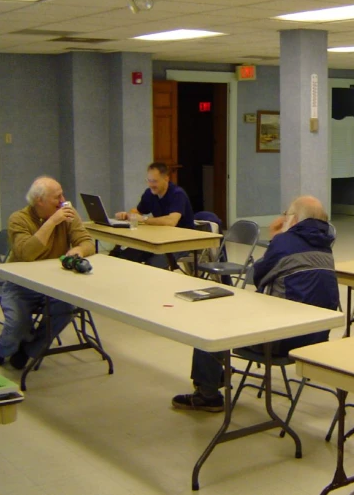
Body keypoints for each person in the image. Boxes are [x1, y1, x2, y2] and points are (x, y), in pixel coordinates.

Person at [172, 195, 339, 412]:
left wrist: (275, 238)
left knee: (211, 319)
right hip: (316, 337)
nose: (283, 218)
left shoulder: (284, 242)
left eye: (286, 214)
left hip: (281, 339)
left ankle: (207, 394)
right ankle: (215, 374)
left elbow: (258, 275)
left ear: (295, 219)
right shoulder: (326, 247)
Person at [0, 176, 95, 369]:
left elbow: (87, 241)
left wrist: (78, 250)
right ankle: (0, 351)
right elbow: (27, 253)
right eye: (57, 196)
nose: (63, 200)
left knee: (65, 311)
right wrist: (52, 222)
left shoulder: (68, 214)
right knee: (17, 324)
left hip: (54, 283)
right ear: (40, 201)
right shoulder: (18, 219)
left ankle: (29, 351)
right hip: (21, 284)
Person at [113, 162, 195, 268]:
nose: (151, 185)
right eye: (149, 181)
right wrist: (127, 215)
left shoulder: (177, 194)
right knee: (125, 256)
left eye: (155, 181)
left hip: (180, 241)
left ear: (166, 179)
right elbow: (137, 211)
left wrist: (144, 219)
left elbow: (171, 221)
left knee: (154, 265)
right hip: (158, 239)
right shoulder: (150, 193)